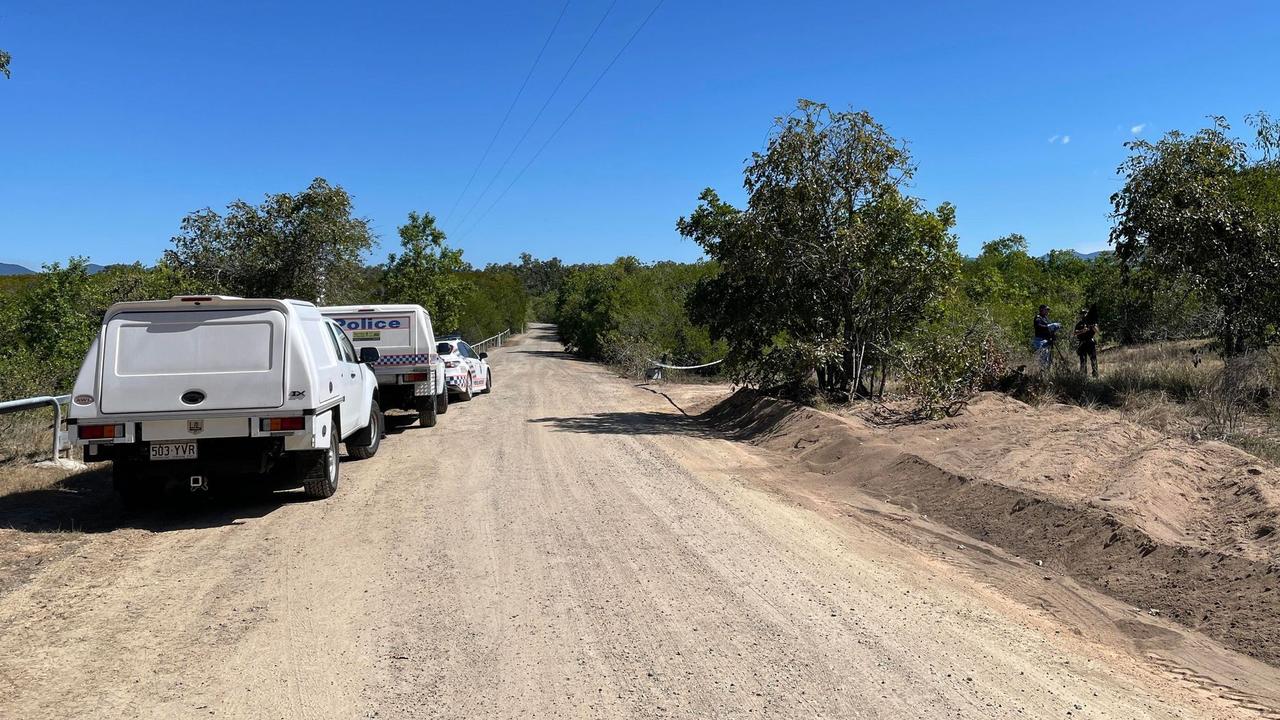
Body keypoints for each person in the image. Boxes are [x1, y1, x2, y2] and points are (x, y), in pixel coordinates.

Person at [1074, 305, 1099, 377]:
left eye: (1085, 313)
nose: (1084, 314)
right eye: (1082, 313)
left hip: (1090, 342)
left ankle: (1095, 374)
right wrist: (1082, 331)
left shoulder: (1092, 322)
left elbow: (1098, 332)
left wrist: (1093, 327)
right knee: (1083, 360)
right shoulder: (1079, 324)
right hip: (1082, 343)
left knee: (1093, 359)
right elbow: (1075, 333)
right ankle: (1083, 375)